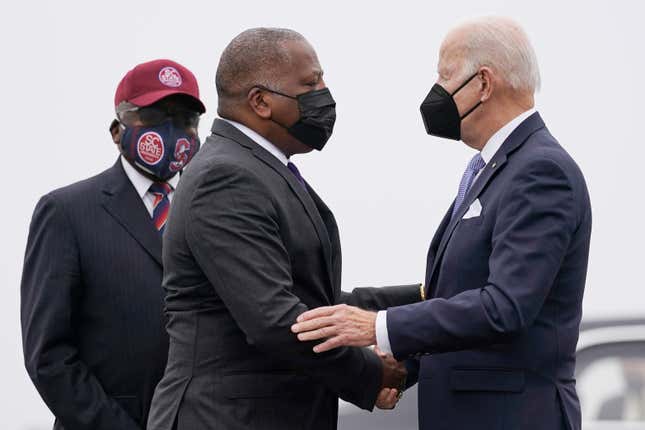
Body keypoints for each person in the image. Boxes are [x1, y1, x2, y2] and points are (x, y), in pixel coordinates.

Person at [292, 17, 592, 430]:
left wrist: (377, 326)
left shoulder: (539, 171)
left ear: (484, 84)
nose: (438, 89)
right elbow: (456, 296)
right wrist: (403, 366)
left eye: (445, 75)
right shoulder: (494, 169)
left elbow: (505, 307)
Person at [146, 28, 422, 430]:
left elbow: (314, 298)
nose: (324, 95)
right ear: (260, 101)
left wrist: (422, 298)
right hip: (226, 418)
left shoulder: (260, 169)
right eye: (310, 84)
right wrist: (374, 373)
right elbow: (275, 320)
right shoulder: (225, 177)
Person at [21, 59, 205, 430]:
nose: (172, 131)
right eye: (154, 116)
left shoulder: (216, 209)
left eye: (185, 119)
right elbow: (49, 354)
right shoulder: (66, 212)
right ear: (117, 130)